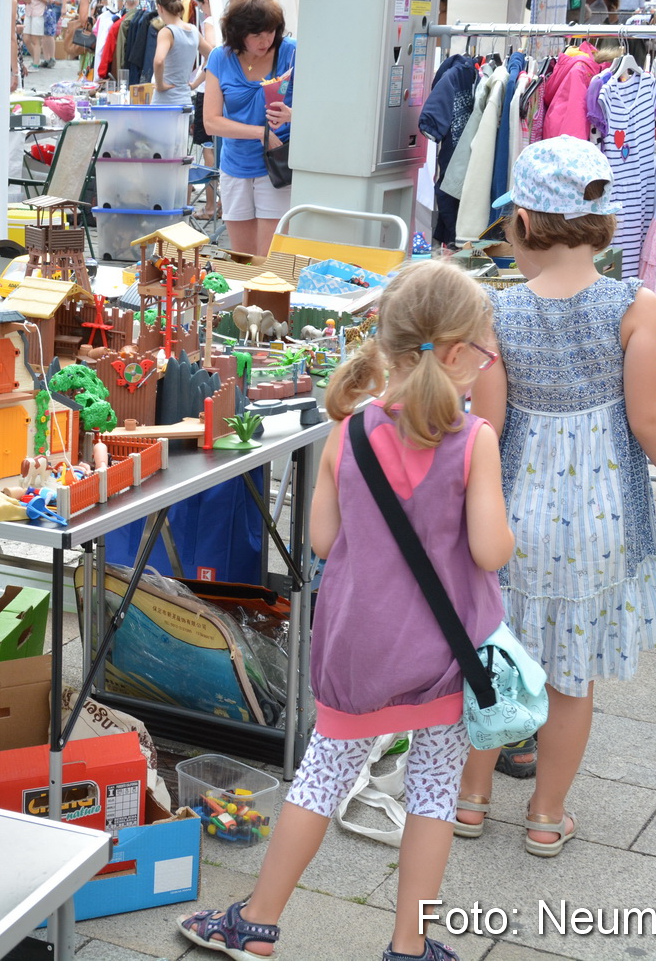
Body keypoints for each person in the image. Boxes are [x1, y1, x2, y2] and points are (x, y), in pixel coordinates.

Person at [178, 260, 512, 961]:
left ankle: (258, 921)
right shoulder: (474, 440)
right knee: (432, 794)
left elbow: (322, 540)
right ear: (455, 355)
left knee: (321, 776)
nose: (490, 363)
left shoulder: (352, 430)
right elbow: (490, 549)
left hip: (357, 646)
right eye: (486, 349)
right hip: (444, 657)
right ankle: (408, 943)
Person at [452, 138, 656, 856]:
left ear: (522, 221)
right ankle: (547, 815)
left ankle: (469, 799)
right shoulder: (635, 303)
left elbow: (487, 427)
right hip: (601, 519)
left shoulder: (498, 310)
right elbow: (649, 420)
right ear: (606, 222)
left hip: (515, 514)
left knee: (496, 658)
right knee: (570, 678)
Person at [203, 0, 294, 256]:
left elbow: (321, 108)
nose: (265, 40)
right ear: (238, 33)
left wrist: (292, 114)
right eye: (256, 34)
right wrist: (259, 133)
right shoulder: (221, 57)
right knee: (242, 259)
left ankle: (266, 300)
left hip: (276, 165)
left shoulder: (292, 53)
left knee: (269, 259)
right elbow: (211, 122)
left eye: (270, 32)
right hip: (235, 164)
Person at [150, 0, 205, 108]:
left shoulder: (167, 32)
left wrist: (160, 85)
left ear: (159, 8)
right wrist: (195, 83)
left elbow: (159, 61)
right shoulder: (194, 30)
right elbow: (212, 56)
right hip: (185, 99)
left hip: (164, 101)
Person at [21, 0, 49, 70]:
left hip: (38, 12)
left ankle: (36, 63)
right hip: (29, 11)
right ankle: (35, 59)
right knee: (26, 38)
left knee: (36, 40)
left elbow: (50, 0)